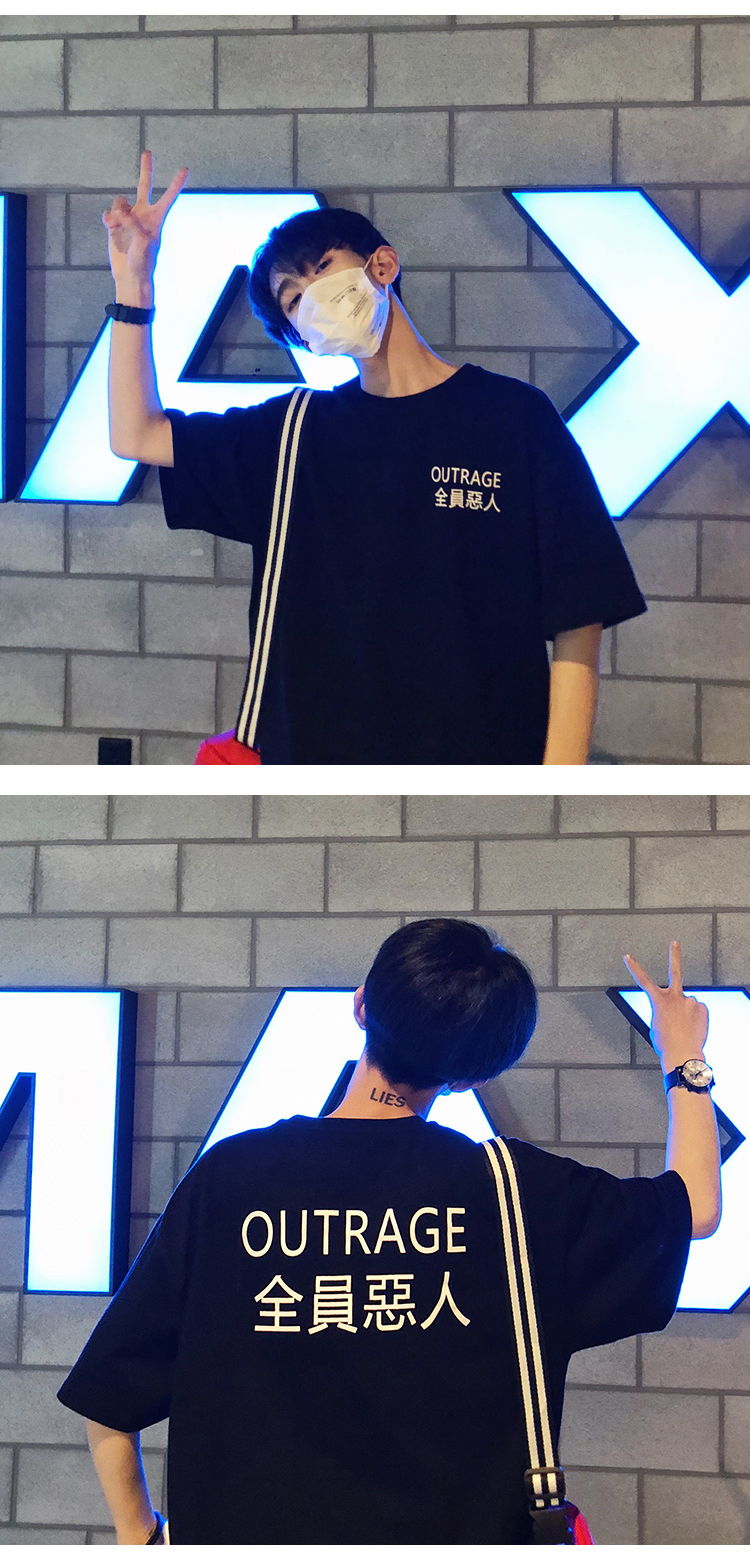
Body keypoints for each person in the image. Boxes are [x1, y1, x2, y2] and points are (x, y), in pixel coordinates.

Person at [57, 919, 720, 1545]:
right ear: (477, 1073)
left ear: (361, 1006)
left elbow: (109, 1398)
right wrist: (683, 1056)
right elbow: (693, 1207)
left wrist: (141, 1535)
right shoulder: (518, 1195)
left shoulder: (229, 1178)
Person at [103, 153, 647, 765]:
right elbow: (136, 435)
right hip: (317, 778)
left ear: (382, 265)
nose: (313, 298)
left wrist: (555, 786)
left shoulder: (512, 416)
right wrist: (133, 287)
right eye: (293, 300)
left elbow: (580, 614)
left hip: (482, 772)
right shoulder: (292, 434)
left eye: (322, 270)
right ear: (302, 337)